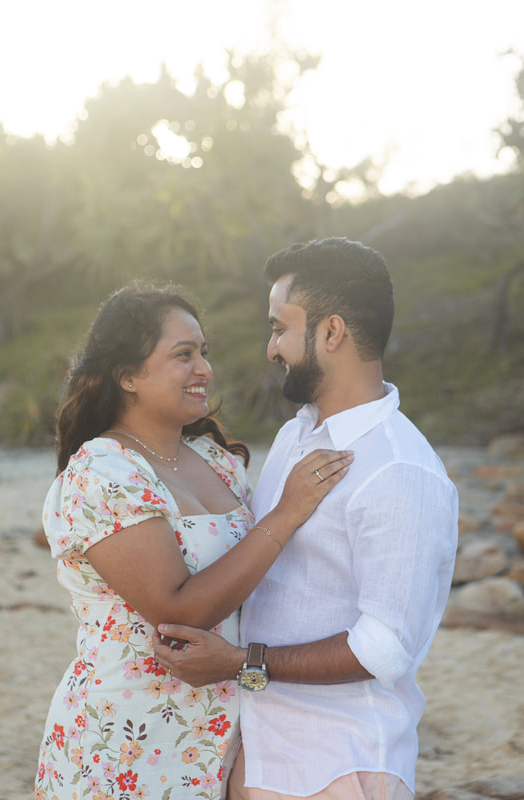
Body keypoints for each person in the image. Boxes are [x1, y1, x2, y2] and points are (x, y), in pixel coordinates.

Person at [152, 238, 459, 800]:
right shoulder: (296, 435)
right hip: (259, 753)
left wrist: (240, 663)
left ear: (331, 332)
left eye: (279, 328)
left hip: (339, 765)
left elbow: (383, 648)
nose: (271, 348)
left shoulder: (399, 469)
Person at [34, 282, 353, 800]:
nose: (203, 368)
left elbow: (257, 602)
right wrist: (288, 512)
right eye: (183, 355)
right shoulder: (102, 470)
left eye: (204, 352)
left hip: (228, 731)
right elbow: (178, 609)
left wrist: (259, 677)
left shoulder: (219, 462)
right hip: (125, 742)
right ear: (128, 376)